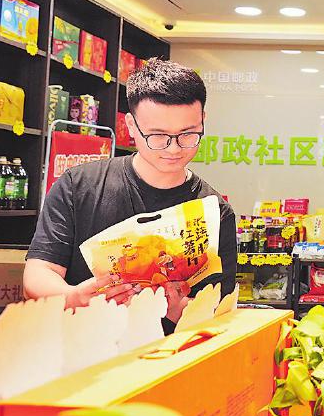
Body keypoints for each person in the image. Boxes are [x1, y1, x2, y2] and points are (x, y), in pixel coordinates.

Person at [25, 58, 236, 325]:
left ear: (203, 120)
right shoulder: (78, 186)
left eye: (188, 134)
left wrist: (175, 306)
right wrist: (75, 297)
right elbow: (37, 274)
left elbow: (219, 312)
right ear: (132, 126)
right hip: (84, 343)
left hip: (171, 349)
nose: (173, 149)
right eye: (157, 136)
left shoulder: (215, 212)